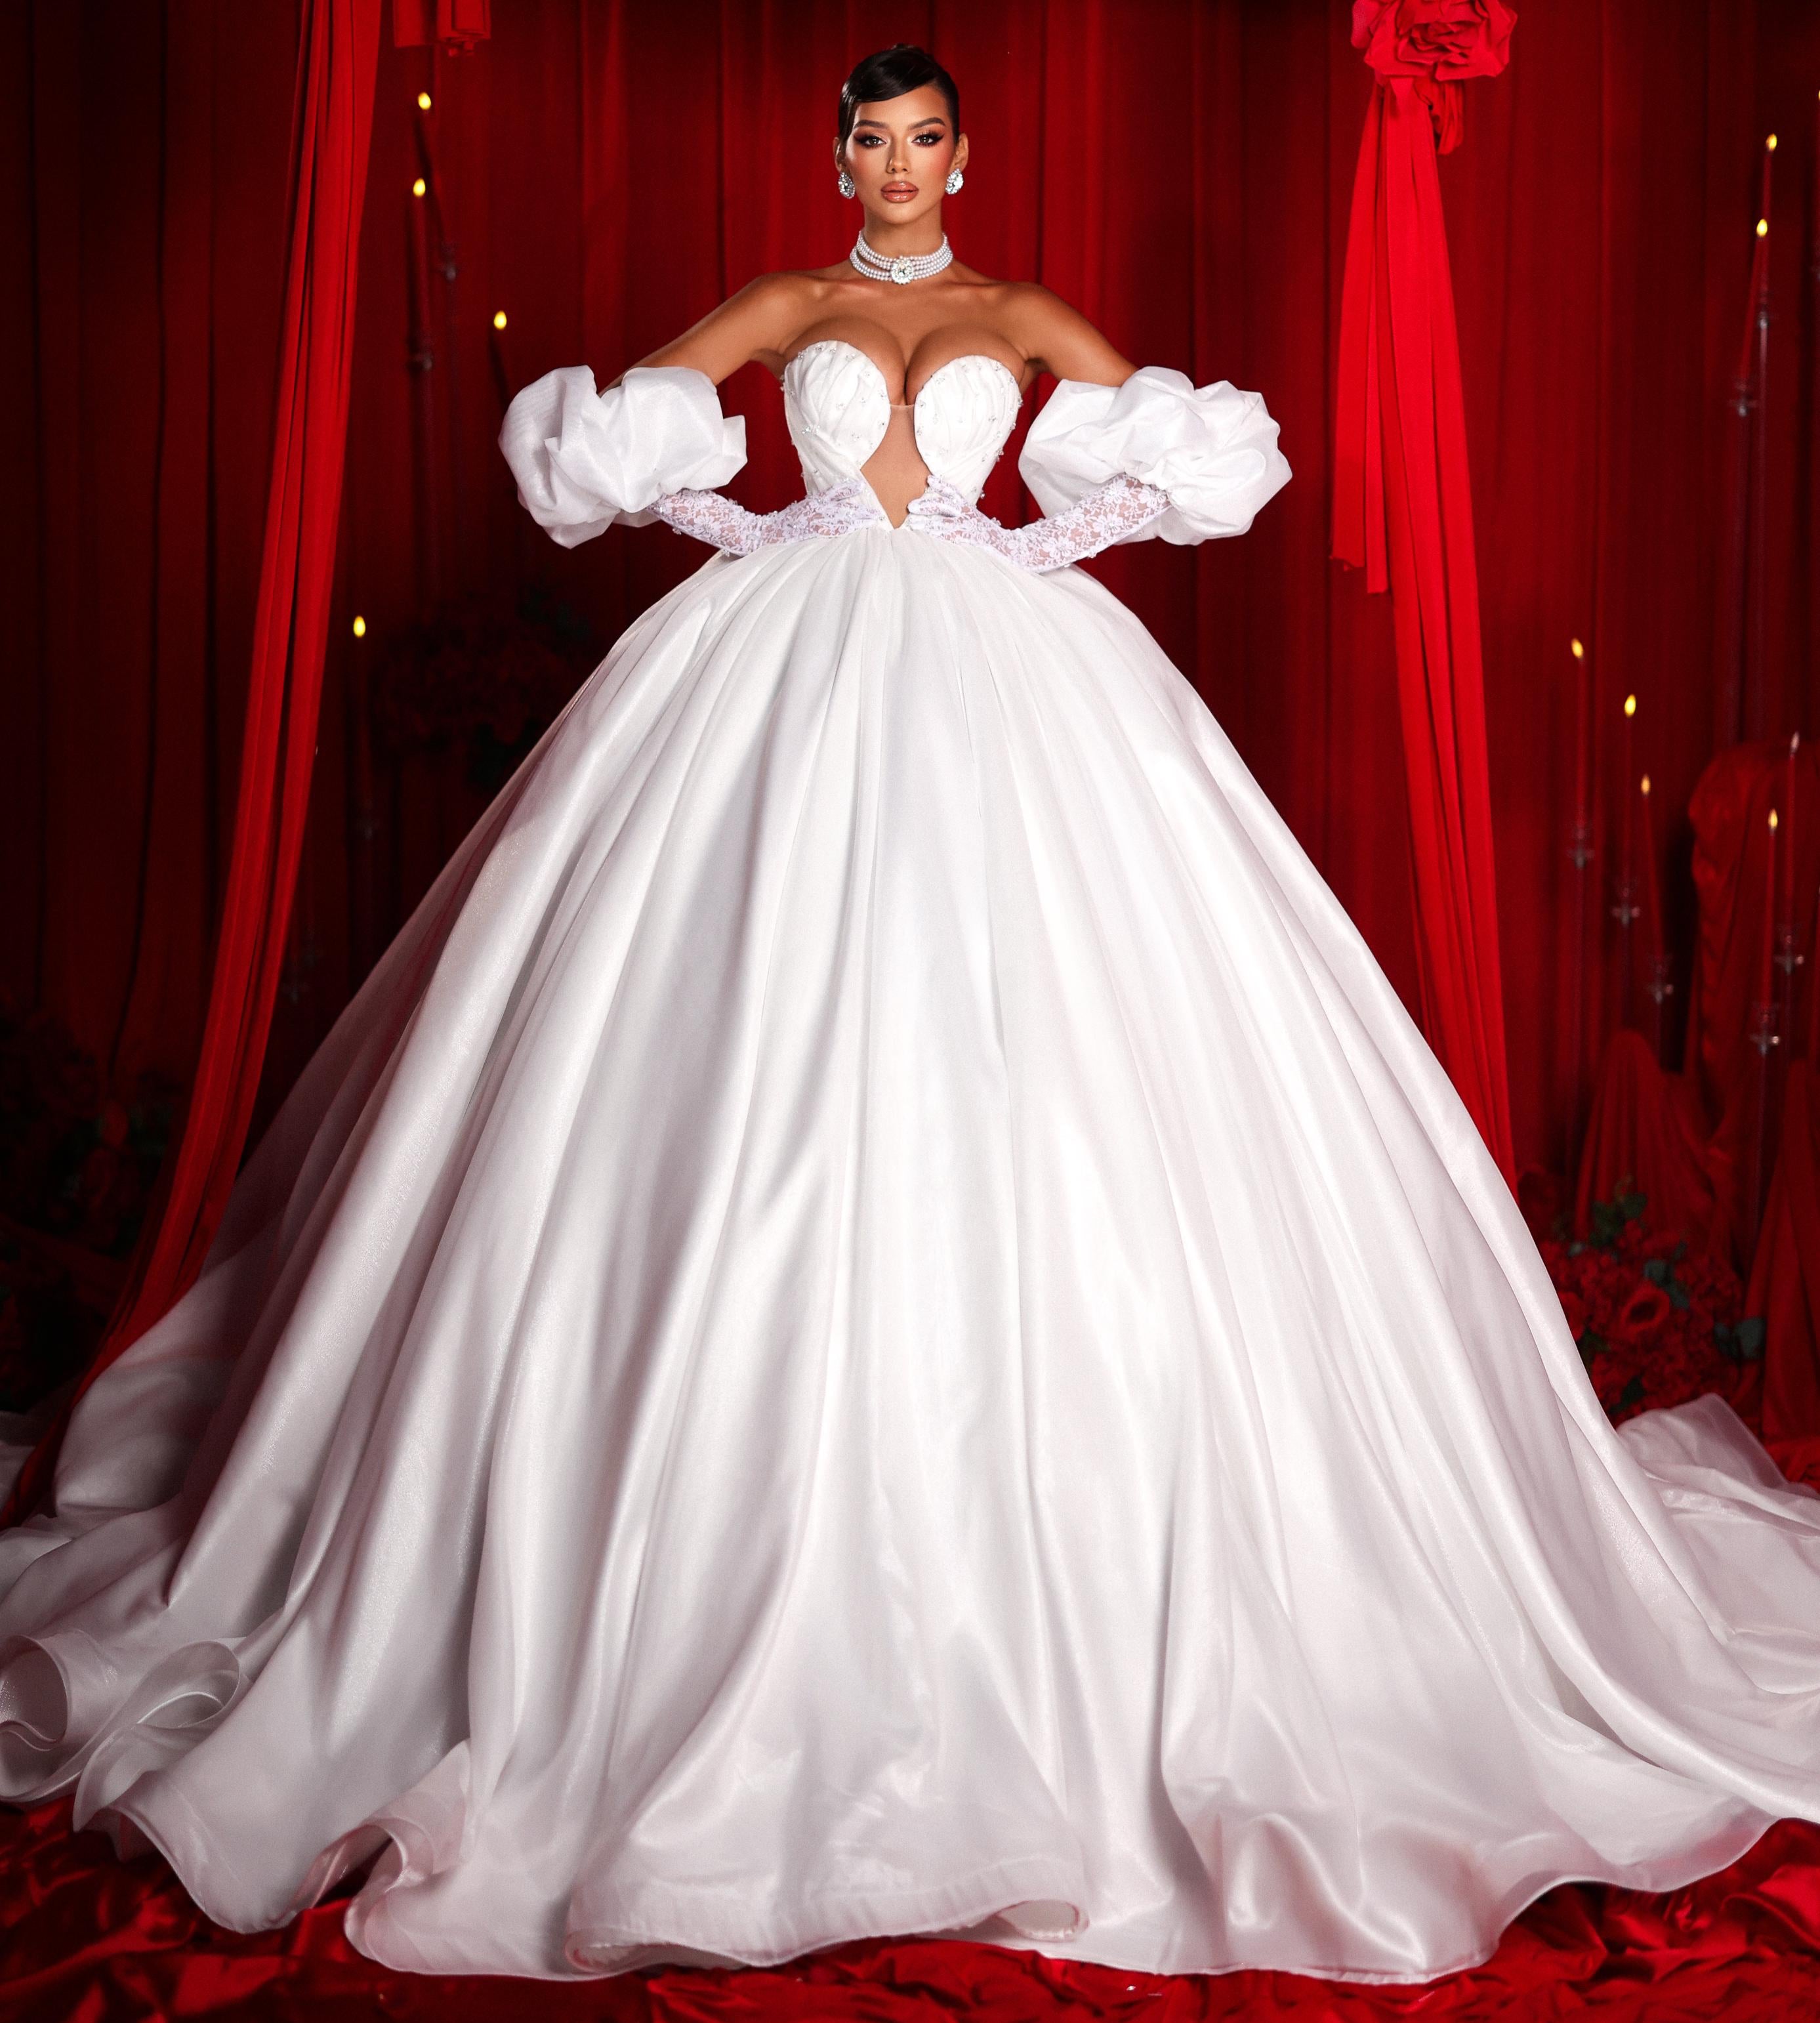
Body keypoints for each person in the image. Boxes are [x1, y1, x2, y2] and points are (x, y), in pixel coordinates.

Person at [4, 40, 1820, 1989]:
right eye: (867, 139)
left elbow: (1193, 465)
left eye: (922, 137)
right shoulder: (787, 302)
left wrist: (1043, 534)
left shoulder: (1019, 311)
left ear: (968, 149)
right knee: (708, 1064)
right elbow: (619, 439)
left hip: (1005, 672)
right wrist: (734, 510)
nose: (892, 166)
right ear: (841, 154)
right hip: (779, 669)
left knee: (1052, 1069)